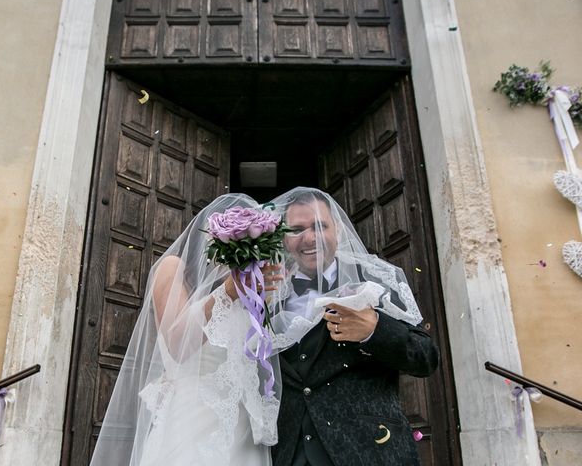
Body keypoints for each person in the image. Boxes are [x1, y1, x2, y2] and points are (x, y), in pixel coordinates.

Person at [89, 194, 286, 466]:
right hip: (192, 417)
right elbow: (177, 343)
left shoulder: (252, 286)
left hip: (240, 424)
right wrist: (229, 292)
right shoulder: (174, 268)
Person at [270, 187, 439, 466]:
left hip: (369, 450)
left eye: (319, 226)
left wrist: (375, 329)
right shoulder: (270, 294)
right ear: (285, 240)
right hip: (290, 453)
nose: (309, 238)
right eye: (297, 229)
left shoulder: (377, 278)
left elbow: (426, 357)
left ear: (336, 229)